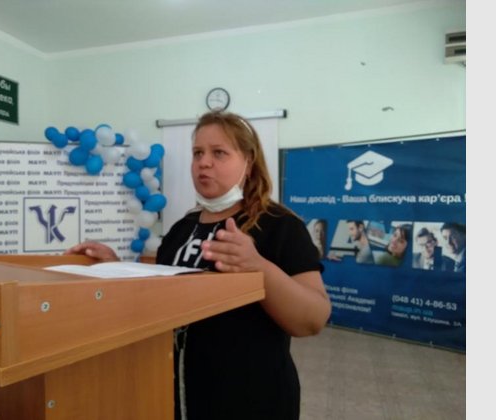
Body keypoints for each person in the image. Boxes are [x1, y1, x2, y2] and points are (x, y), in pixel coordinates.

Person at [66, 111, 331, 420]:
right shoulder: (182, 229)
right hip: (180, 394)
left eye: (219, 153)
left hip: (252, 399)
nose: (204, 162)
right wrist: (114, 267)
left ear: (248, 162)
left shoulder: (279, 225)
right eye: (197, 153)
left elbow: (313, 319)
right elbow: (161, 297)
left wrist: (259, 267)